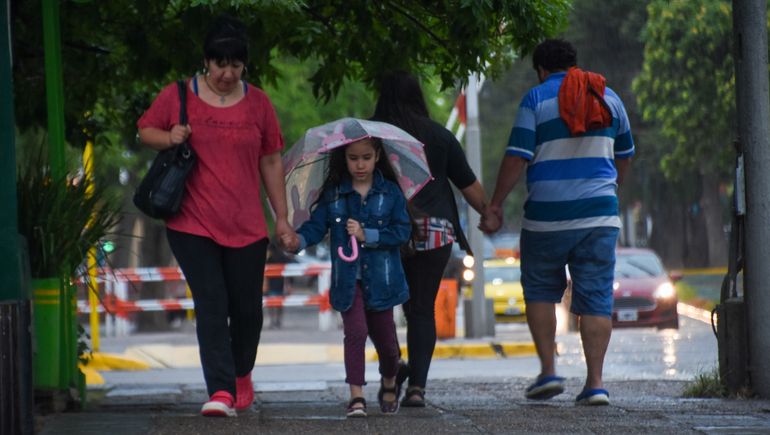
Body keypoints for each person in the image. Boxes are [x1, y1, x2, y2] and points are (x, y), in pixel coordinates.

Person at [137, 15, 295, 417]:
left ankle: (242, 373)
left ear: (245, 65)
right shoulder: (178, 95)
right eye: (219, 63)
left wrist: (282, 217)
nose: (227, 73)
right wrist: (169, 136)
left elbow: (272, 161)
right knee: (211, 302)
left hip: (246, 225)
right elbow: (145, 130)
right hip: (192, 222)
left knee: (247, 311)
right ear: (205, 61)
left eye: (236, 65)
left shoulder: (258, 103)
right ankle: (221, 390)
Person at [481, 39, 634, 406]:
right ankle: (595, 384)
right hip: (599, 217)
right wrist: (611, 193)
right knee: (596, 297)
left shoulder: (535, 99)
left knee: (539, 291)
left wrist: (496, 204)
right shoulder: (608, 98)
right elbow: (625, 155)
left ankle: (549, 371)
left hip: (546, 218)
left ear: (541, 70)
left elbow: (517, 157)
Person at [371, 70, 497, 407]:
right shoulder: (439, 136)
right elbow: (469, 185)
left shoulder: (374, 135)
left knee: (379, 308)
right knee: (422, 310)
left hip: (385, 233)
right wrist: (489, 212)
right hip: (435, 231)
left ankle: (393, 367)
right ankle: (417, 389)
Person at [281, 137, 410, 418]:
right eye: (353, 158)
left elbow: (402, 232)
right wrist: (298, 240)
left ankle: (391, 379)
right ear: (344, 159)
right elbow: (315, 227)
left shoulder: (390, 193)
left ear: (377, 156)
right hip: (348, 281)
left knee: (388, 347)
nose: (360, 164)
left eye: (366, 157)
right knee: (355, 332)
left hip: (382, 282)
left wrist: (368, 235)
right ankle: (357, 397)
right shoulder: (334, 195)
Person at [264, 241, 293, 329]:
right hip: (280, 283)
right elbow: (289, 270)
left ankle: (273, 320)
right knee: (279, 303)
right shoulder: (283, 257)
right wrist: (288, 285)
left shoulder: (269, 258)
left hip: (271, 283)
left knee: (271, 304)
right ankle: (278, 320)